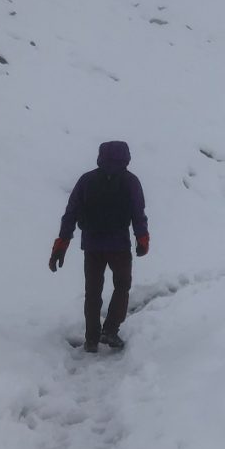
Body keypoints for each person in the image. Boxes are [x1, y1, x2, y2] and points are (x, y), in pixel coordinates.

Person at [49, 140, 150, 352]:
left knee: (92, 292)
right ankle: (110, 330)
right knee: (121, 286)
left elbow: (71, 212)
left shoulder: (87, 180)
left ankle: (92, 339)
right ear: (126, 158)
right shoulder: (131, 182)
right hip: (119, 247)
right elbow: (137, 213)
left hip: (92, 246)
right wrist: (142, 238)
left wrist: (62, 243)